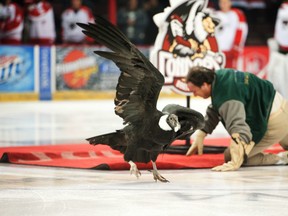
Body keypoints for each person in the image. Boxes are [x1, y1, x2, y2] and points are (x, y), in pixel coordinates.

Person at [185, 66, 288, 171]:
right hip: (282, 107)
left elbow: (239, 128)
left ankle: (282, 158)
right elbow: (217, 106)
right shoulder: (220, 76)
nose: (195, 95)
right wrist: (202, 132)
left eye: (194, 91)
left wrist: (235, 160)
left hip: (274, 122)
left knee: (231, 155)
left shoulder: (228, 99)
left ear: (204, 85)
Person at [214, 0, 248, 69]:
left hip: (232, 49)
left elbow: (242, 30)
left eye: (226, 2)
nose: (224, 4)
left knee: (232, 72)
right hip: (218, 51)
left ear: (230, 3)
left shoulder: (237, 14)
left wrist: (237, 45)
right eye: (222, 3)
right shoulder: (214, 15)